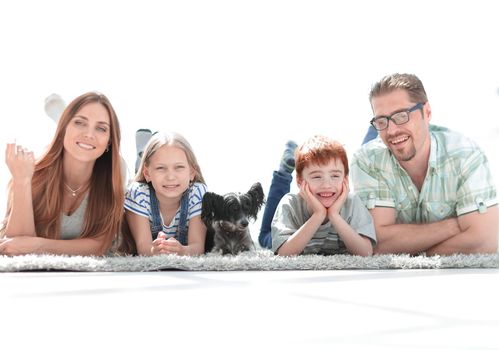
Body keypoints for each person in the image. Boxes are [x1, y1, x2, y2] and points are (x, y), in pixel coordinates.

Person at [351, 73, 498, 255]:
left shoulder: (465, 155)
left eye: (401, 116)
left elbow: (485, 240)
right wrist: (453, 226)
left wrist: (417, 254)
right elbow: (377, 241)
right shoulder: (367, 160)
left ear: (427, 112)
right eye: (382, 121)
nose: (392, 130)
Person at [0, 92, 124, 256]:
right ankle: (62, 116)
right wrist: (21, 181)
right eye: (79, 123)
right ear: (63, 129)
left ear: (109, 140)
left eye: (101, 128)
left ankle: (64, 116)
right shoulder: (31, 174)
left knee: (120, 165)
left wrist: (39, 245)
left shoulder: (111, 181)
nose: (89, 134)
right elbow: (14, 245)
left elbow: (99, 245)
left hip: (113, 168)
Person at [270, 135, 376, 256]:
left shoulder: (352, 203)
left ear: (345, 179)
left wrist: (334, 215)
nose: (326, 185)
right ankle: (283, 172)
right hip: (279, 234)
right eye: (316, 176)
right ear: (300, 181)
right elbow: (284, 254)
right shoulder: (290, 204)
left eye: (335, 176)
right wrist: (318, 215)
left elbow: (366, 253)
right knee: (265, 237)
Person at [123, 131, 207, 256]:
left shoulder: (198, 193)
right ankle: (141, 155)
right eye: (160, 168)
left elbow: (197, 247)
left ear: (192, 172)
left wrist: (182, 251)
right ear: (147, 174)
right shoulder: (138, 194)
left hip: (156, 182)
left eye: (179, 167)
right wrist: (153, 250)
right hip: (146, 187)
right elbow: (143, 248)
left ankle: (146, 155)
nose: (170, 177)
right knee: (136, 178)